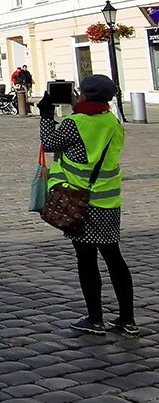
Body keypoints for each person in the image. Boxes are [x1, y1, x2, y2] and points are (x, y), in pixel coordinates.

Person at [39, 75, 137, 335]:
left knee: (86, 260)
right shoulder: (112, 122)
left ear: (85, 95)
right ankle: (127, 320)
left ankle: (95, 319)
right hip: (108, 201)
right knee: (114, 258)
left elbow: (49, 144)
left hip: (79, 202)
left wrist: (46, 113)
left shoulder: (76, 123)